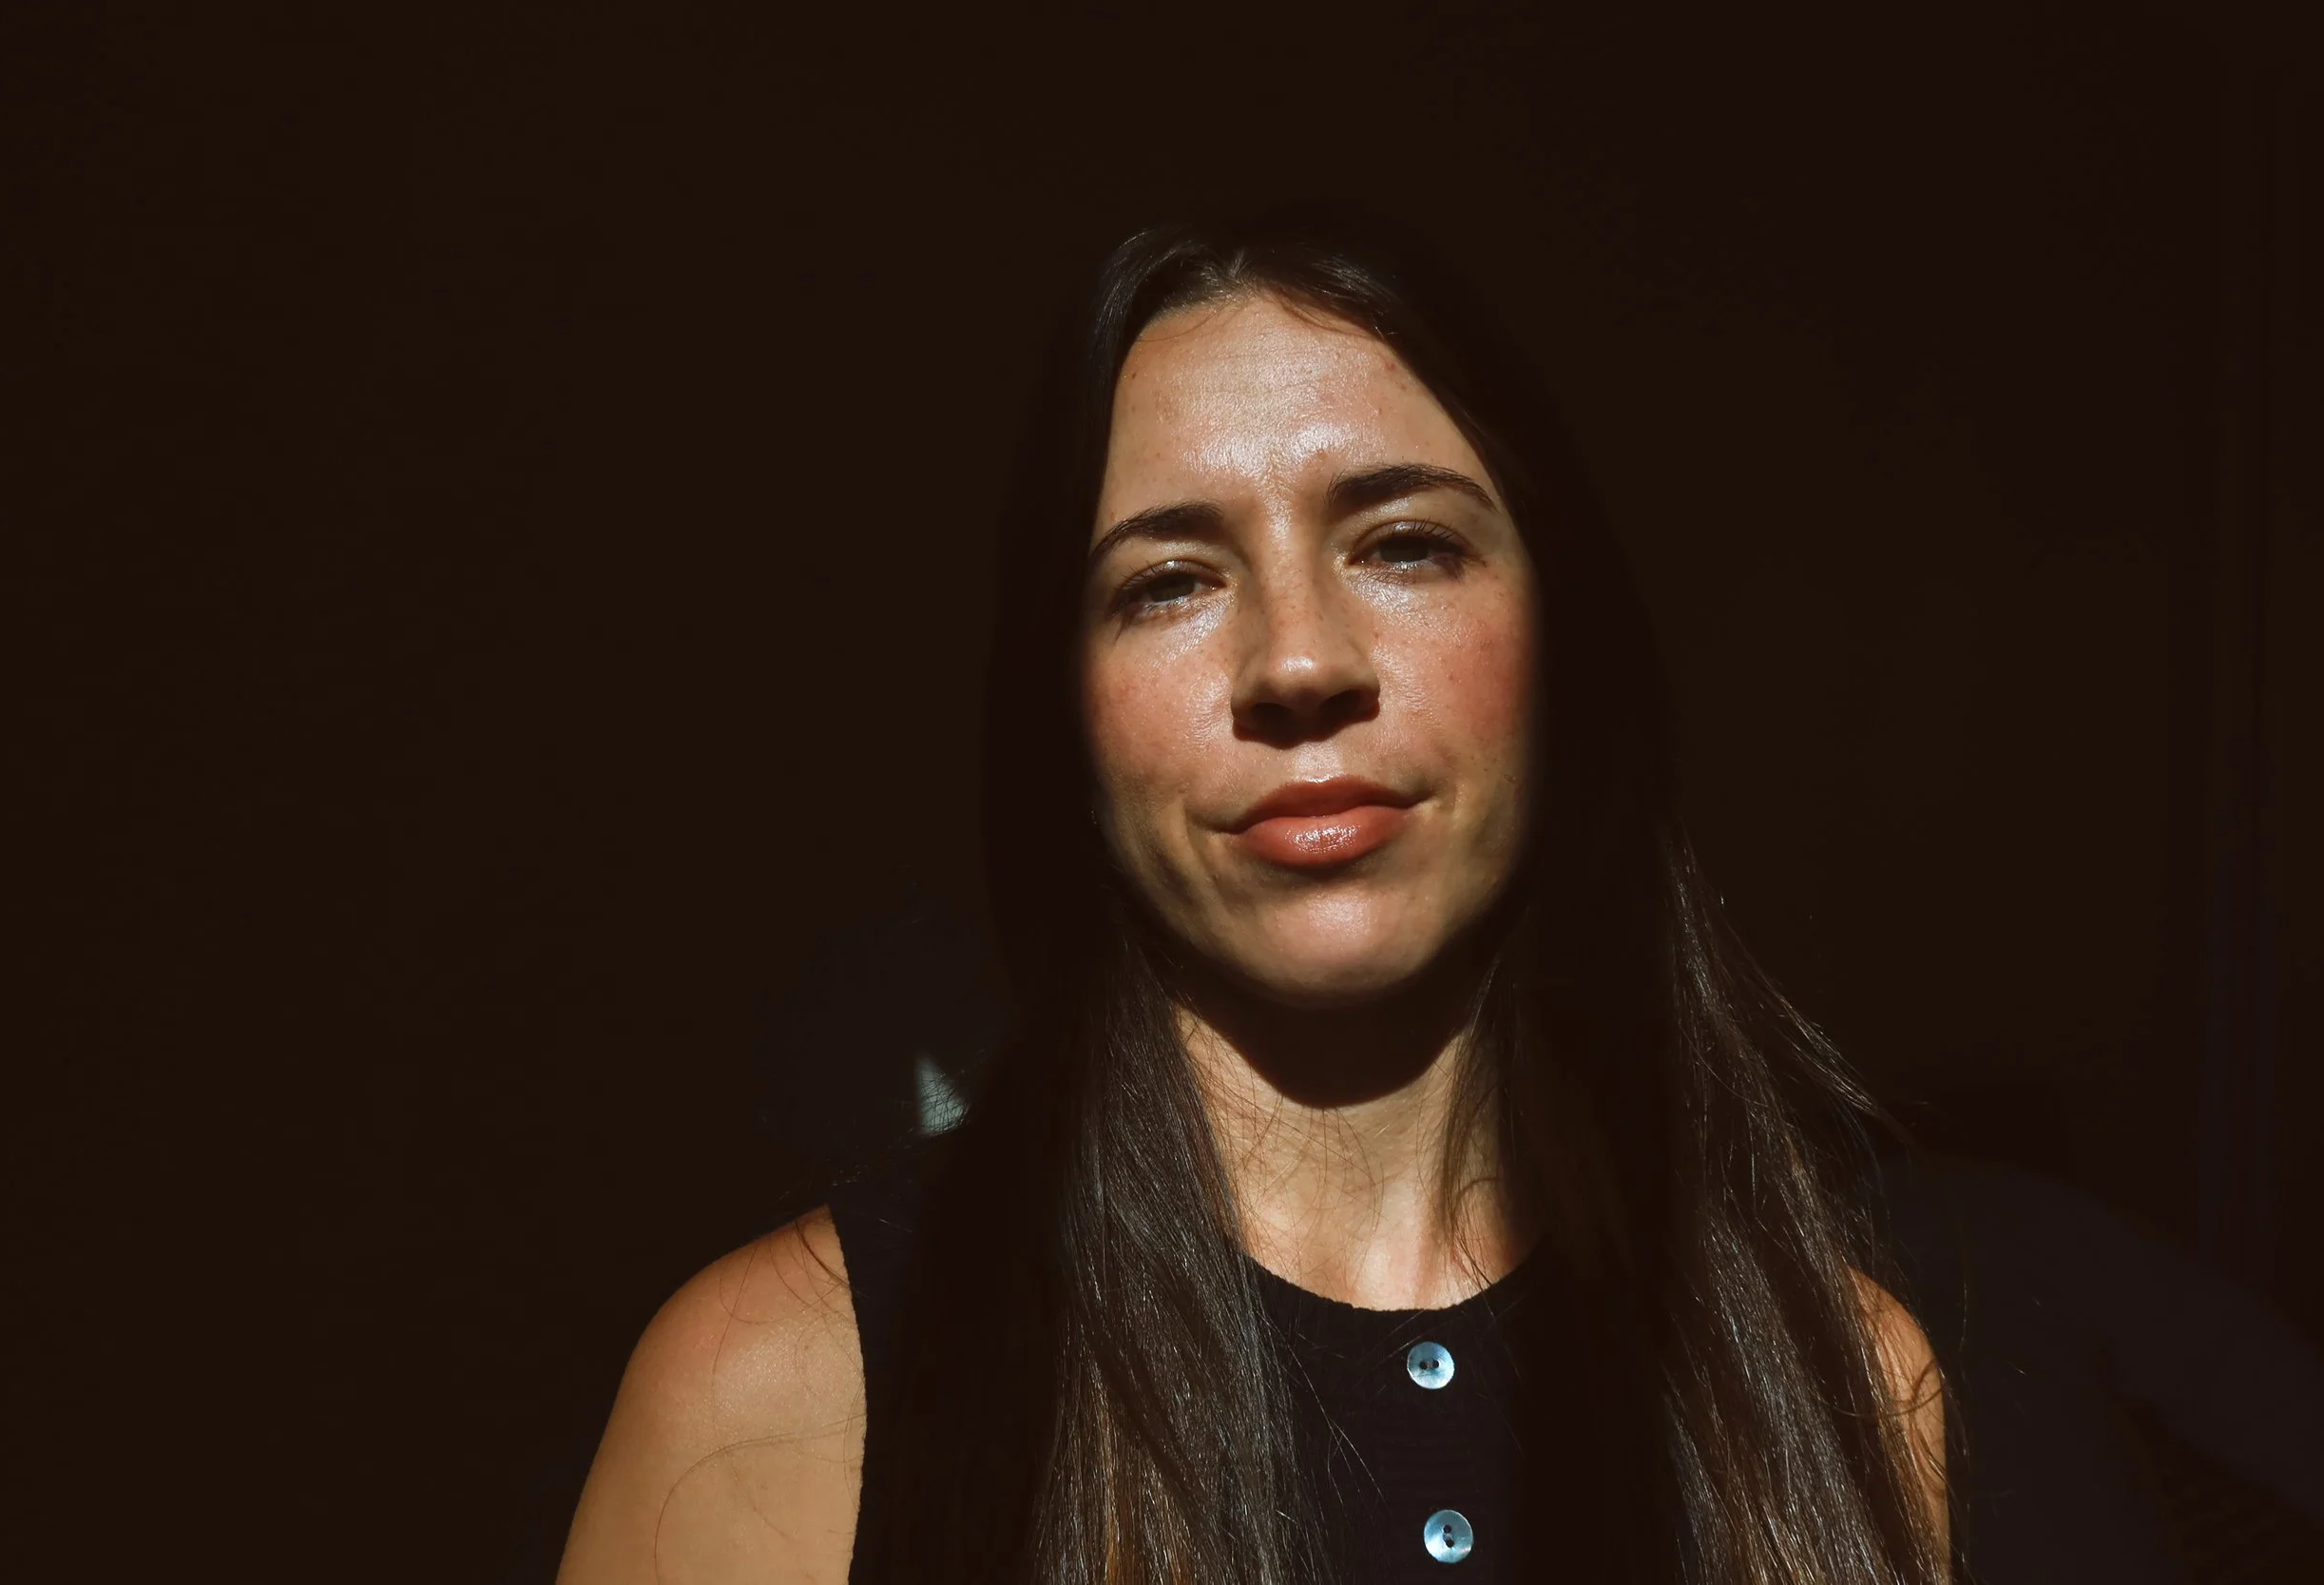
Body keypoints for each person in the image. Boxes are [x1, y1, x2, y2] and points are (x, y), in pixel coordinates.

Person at [556, 220, 1949, 1585]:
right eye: (1167, 581)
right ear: (1065, 718)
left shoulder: (1842, 1389)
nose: (1297, 661)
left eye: (1403, 543)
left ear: (1563, 641)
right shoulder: (791, 1385)